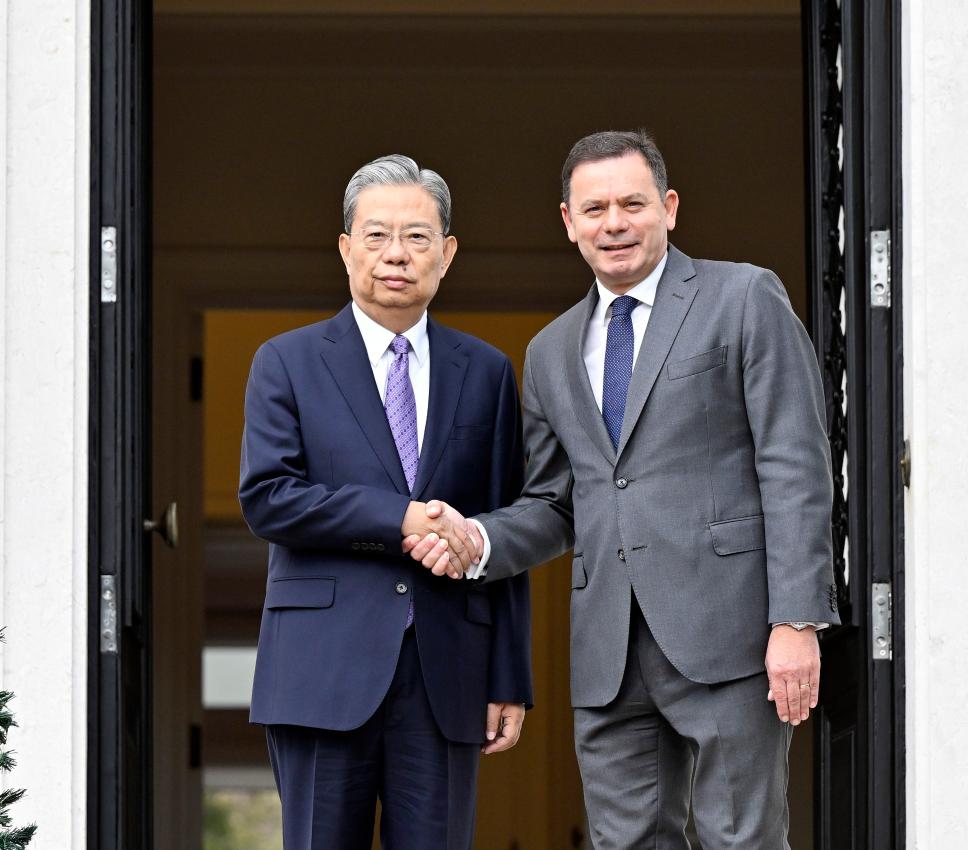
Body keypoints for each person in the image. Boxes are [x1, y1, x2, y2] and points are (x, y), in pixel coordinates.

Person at [405, 130, 841, 849]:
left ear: (668, 208)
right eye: (595, 207)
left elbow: (792, 462)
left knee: (741, 839)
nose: (614, 222)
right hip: (607, 651)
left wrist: (795, 621)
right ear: (568, 222)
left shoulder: (742, 296)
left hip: (729, 635)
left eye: (632, 203)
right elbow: (553, 502)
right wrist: (477, 539)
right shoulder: (547, 351)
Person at [239, 154, 532, 850]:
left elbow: (505, 529)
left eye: (417, 237)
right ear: (345, 248)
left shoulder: (486, 371)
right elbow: (269, 498)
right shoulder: (286, 361)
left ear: (447, 253)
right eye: (375, 236)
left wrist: (509, 678)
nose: (395, 255)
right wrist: (396, 517)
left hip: (447, 673)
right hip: (319, 671)